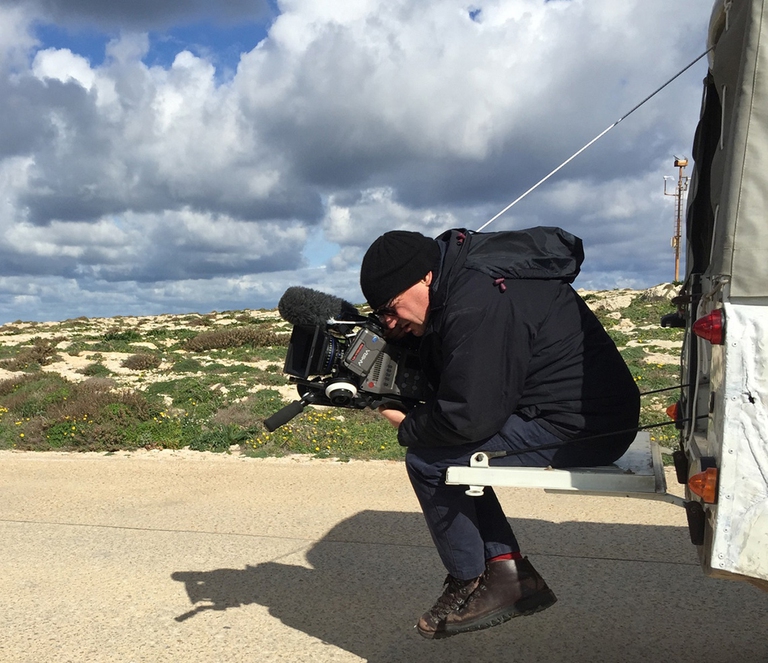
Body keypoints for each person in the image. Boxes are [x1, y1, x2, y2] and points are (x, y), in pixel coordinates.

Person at [359, 227, 640, 640]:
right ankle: (507, 571)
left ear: (424, 278)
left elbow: (468, 418)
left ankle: (471, 580)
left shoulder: (478, 300)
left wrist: (405, 422)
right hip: (582, 412)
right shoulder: (467, 277)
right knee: (454, 456)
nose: (390, 321)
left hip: (582, 426)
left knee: (430, 461)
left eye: (390, 307)